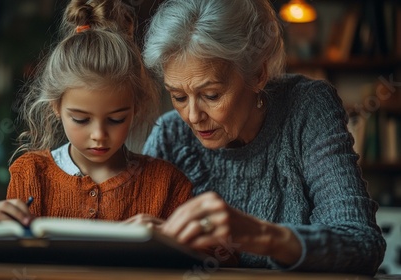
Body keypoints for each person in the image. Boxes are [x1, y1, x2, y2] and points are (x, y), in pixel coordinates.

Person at [141, 0, 386, 275]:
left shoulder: (307, 108)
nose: (193, 116)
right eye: (178, 96)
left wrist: (261, 236)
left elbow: (362, 243)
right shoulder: (171, 134)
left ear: (258, 74)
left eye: (211, 95)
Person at [0, 0, 192, 228]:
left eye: (116, 119)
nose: (99, 135)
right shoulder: (31, 174)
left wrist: (172, 241)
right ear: (56, 107)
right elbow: (10, 256)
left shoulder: (168, 185)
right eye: (81, 119)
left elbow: (215, 257)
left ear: (136, 108)